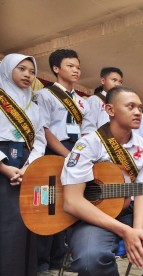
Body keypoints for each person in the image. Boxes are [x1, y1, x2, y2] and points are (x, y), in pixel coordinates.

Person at [60, 85, 143, 275]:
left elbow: (142, 191)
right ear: (110, 110)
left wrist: (137, 230)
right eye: (130, 106)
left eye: (140, 108)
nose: (137, 112)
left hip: (130, 212)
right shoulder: (89, 144)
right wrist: (126, 232)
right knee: (90, 260)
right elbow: (72, 201)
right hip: (91, 217)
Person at [34, 48, 96, 273]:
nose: (76, 70)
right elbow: (44, 130)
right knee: (49, 206)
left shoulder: (83, 102)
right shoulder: (44, 95)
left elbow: (88, 132)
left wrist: (80, 156)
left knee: (71, 207)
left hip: (77, 154)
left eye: (78, 67)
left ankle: (60, 257)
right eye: (70, 66)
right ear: (56, 68)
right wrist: (68, 155)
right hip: (53, 153)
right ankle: (41, 262)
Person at [0, 53, 47, 276]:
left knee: (28, 220)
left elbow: (40, 139)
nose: (28, 75)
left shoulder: (33, 103)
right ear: (8, 69)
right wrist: (4, 167)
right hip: (3, 163)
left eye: (32, 71)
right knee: (8, 223)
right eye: (21, 69)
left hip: (27, 165)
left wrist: (30, 166)